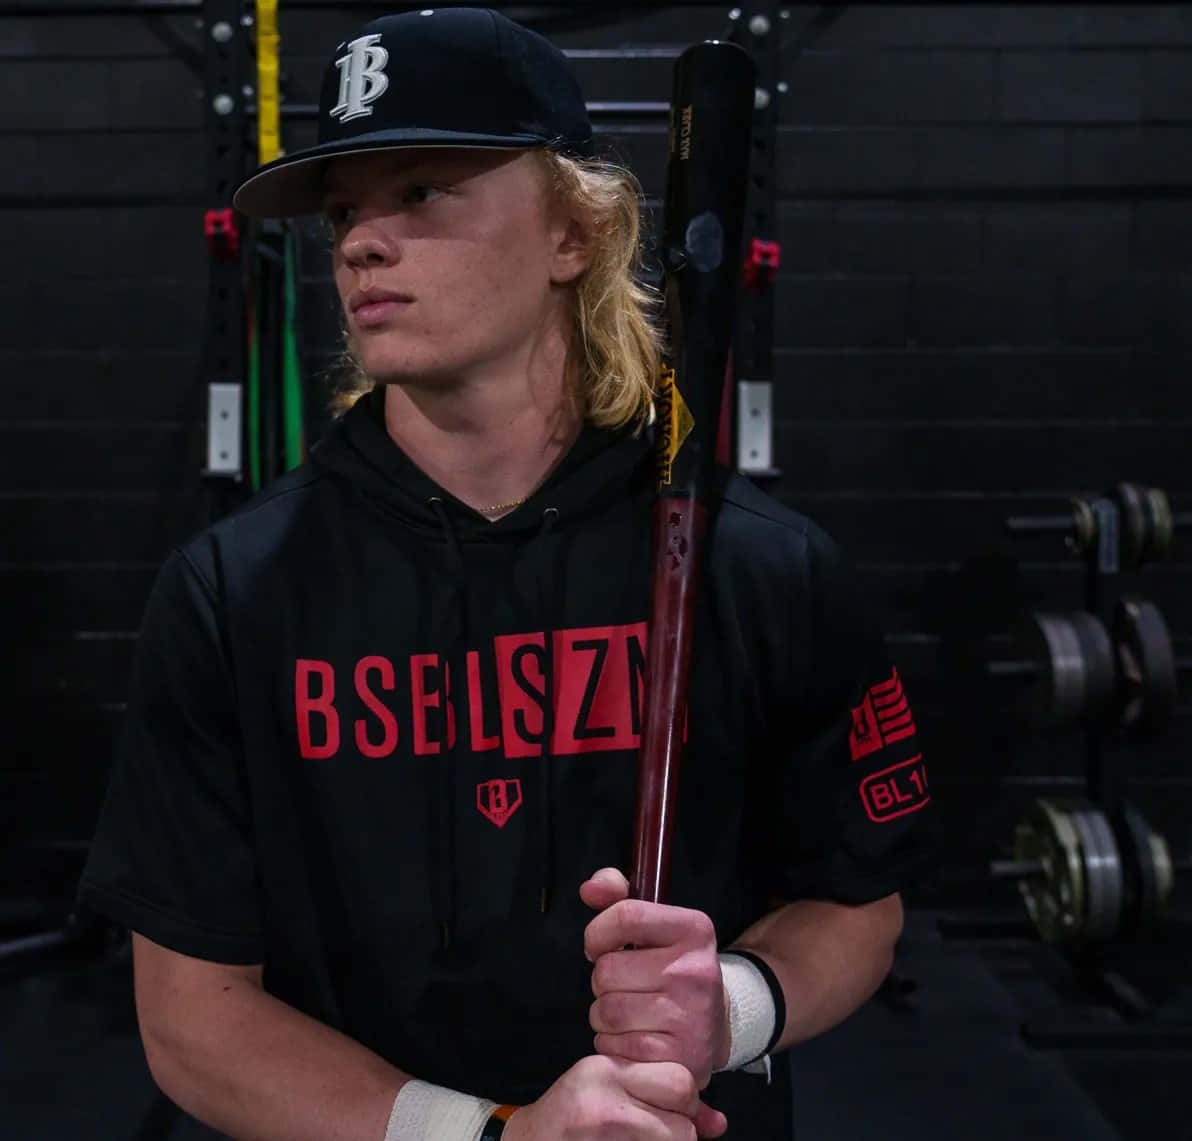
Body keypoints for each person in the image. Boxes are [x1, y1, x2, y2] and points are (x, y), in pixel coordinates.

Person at [77, 8, 939, 1141]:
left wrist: (721, 1009)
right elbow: (192, 1015)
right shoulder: (235, 592)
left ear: (573, 234)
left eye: (423, 191)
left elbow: (857, 903)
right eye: (343, 213)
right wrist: (496, 1134)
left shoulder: (761, 566)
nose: (360, 244)